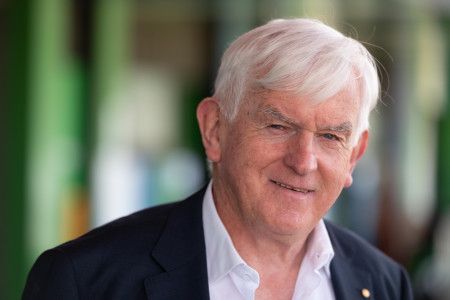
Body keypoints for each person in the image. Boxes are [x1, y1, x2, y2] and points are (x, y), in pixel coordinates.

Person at [23, 18, 413, 299]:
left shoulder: (383, 284)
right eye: (278, 126)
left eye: (330, 136)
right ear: (214, 129)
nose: (304, 160)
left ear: (355, 154)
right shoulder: (84, 281)